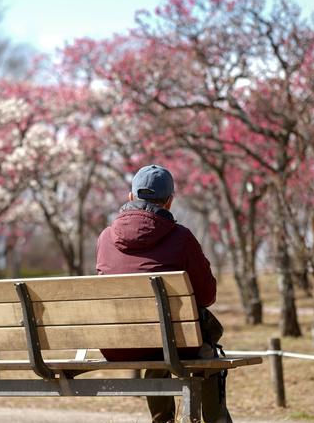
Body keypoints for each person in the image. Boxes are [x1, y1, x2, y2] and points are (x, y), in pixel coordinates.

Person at [96, 165, 231, 423]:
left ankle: (163, 420)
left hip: (119, 344)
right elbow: (207, 296)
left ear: (131, 196)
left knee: (157, 348)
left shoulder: (104, 238)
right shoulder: (181, 237)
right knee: (197, 352)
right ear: (169, 201)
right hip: (177, 341)